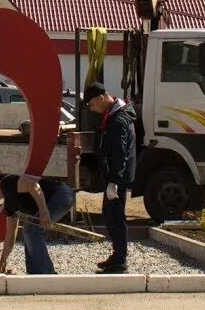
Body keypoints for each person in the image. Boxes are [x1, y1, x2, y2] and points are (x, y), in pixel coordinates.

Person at [82, 81, 136, 274]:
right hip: (114, 176)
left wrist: (114, 181)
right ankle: (117, 255)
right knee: (109, 214)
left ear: (101, 98)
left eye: (92, 104)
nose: (92, 109)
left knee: (116, 216)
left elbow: (121, 153)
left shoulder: (119, 119)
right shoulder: (112, 115)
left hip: (117, 178)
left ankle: (120, 260)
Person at [0, 174, 77, 275]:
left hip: (61, 194)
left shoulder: (7, 183)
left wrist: (43, 210)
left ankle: (45, 273)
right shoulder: (9, 205)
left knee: (31, 230)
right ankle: (33, 273)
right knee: (28, 229)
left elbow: (33, 186)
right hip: (57, 197)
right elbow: (10, 235)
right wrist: (2, 261)